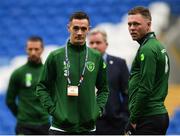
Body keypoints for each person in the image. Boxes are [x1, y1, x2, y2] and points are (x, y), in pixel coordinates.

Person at [35, 11, 109, 135]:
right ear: (68, 28)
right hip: (60, 129)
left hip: (88, 129)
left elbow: (104, 89)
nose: (79, 32)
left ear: (88, 30)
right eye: (76, 28)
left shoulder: (95, 57)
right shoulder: (55, 56)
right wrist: (53, 110)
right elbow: (41, 87)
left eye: (83, 29)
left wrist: (97, 110)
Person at [125, 6, 170, 135]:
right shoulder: (156, 45)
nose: (132, 28)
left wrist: (133, 118)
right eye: (129, 24)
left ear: (148, 24)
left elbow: (145, 87)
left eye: (136, 24)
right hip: (154, 115)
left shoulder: (148, 49)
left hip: (148, 117)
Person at [88, 28, 130, 134]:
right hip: (88, 124)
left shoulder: (119, 64)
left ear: (106, 44)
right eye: (91, 43)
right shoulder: (82, 66)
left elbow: (128, 92)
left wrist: (124, 116)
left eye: (98, 42)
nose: (94, 46)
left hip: (114, 123)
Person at [6, 36, 50, 135]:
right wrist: (21, 116)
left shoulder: (48, 73)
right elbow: (9, 100)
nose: (33, 52)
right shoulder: (18, 73)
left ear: (42, 49)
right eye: (30, 49)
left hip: (44, 124)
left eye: (36, 49)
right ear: (26, 49)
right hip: (24, 126)